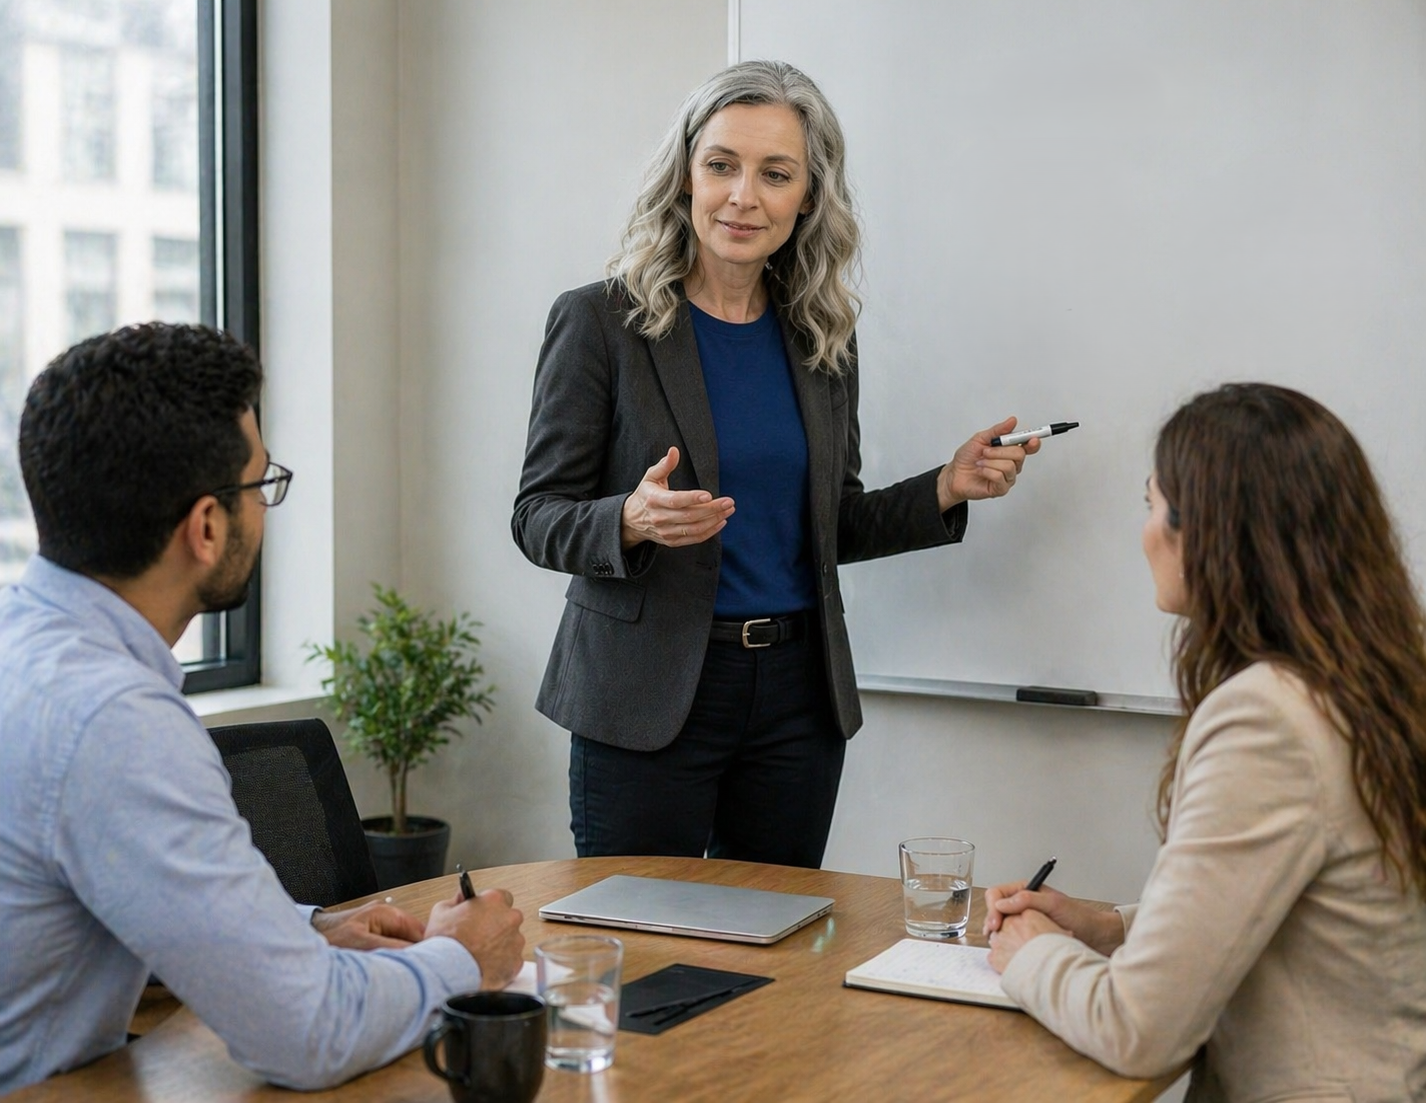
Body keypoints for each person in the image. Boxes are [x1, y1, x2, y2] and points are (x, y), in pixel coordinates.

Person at [512, 59, 1039, 869]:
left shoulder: (819, 334)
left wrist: (946, 486)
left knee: (775, 959)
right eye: (721, 165)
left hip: (797, 695)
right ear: (686, 177)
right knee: (642, 951)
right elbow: (538, 515)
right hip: (648, 693)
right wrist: (629, 518)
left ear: (808, 197)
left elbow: (832, 520)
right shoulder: (599, 321)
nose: (742, 196)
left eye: (775, 174)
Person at [0, 323, 525, 1094]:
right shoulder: (115, 719)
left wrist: (297, 928)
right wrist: (459, 957)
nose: (266, 507)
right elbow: (307, 1033)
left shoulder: (31, 648)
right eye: (261, 484)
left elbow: (94, 885)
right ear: (207, 527)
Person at [983, 384, 1426, 1101]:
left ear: (1215, 533)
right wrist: (1103, 925)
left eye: (1154, 503)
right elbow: (1300, 916)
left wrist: (1032, 954)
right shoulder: (1374, 678)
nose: (1146, 530)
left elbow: (1140, 1027)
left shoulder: (1268, 719)